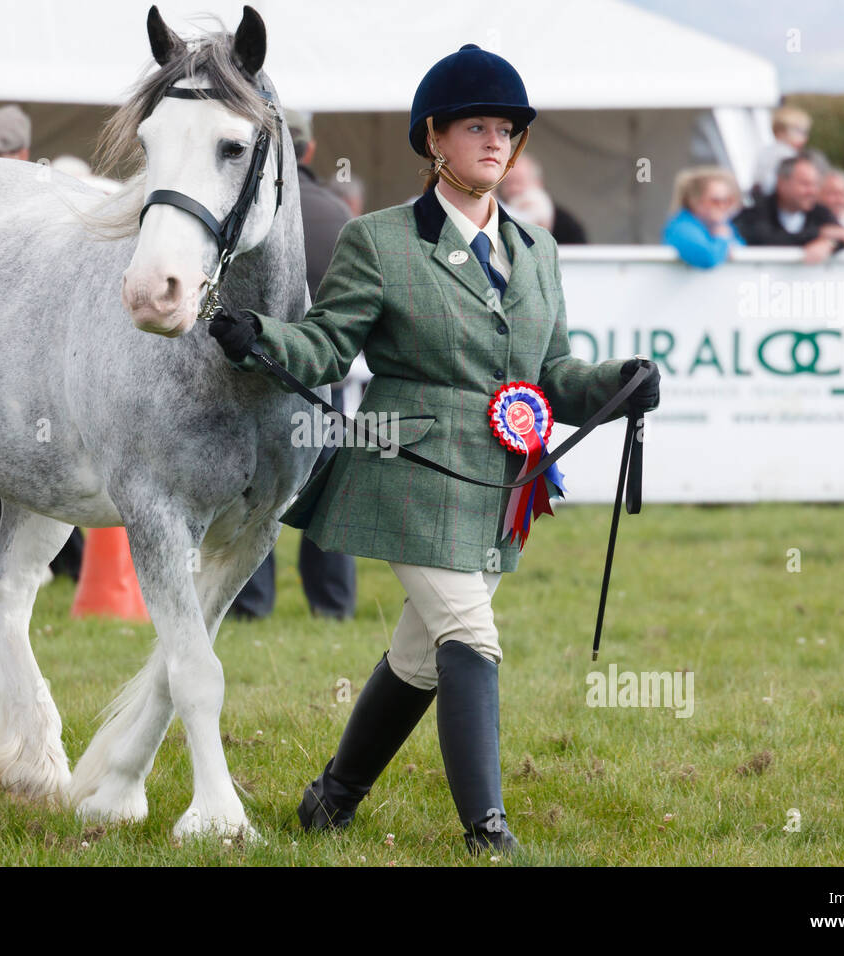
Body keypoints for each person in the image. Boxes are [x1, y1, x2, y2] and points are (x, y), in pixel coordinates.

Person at [207, 43, 659, 855]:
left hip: (499, 480)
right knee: (471, 638)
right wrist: (258, 339)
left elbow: (552, 374)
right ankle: (487, 829)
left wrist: (619, 382)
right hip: (407, 470)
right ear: (434, 141)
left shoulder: (538, 252)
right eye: (477, 127)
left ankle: (332, 799)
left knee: (421, 654)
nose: (496, 142)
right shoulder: (379, 240)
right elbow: (327, 347)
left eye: (507, 130)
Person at [230, 107, 358, 620]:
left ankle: (250, 605)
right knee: (328, 492)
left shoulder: (242, 209)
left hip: (253, 370)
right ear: (307, 151)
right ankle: (333, 607)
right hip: (324, 377)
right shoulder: (341, 215)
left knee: (255, 493)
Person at [0, 105, 84, 588]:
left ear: (22, 154)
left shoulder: (41, 206)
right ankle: (70, 566)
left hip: (37, 363)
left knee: (17, 466)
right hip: (16, 360)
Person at [732, 153, 844, 264]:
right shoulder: (757, 211)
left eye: (815, 185)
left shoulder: (820, 212)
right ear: (782, 183)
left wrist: (829, 243)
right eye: (805, 184)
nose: (812, 191)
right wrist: (818, 234)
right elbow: (768, 240)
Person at [495, 152, 587, 244]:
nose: (514, 189)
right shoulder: (495, 221)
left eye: (519, 182)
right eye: (508, 183)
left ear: (538, 183)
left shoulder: (567, 225)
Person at [662, 166, 745, 268]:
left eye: (728, 201)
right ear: (694, 201)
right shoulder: (681, 227)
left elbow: (741, 249)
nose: (723, 206)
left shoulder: (720, 225)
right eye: (715, 201)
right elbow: (707, 258)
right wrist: (722, 240)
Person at [750, 104, 811, 200]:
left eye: (805, 132)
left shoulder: (765, 151)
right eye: (799, 131)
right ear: (781, 132)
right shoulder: (788, 154)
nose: (805, 138)